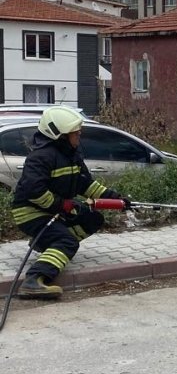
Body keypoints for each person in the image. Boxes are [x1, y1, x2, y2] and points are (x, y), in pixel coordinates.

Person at [10, 105, 131, 299]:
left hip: (55, 208)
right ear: (60, 135)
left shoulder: (71, 155)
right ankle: (34, 280)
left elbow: (86, 185)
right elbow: (34, 191)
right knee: (67, 242)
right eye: (75, 133)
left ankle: (47, 244)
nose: (79, 135)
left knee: (93, 219)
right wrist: (62, 205)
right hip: (30, 212)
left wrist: (115, 198)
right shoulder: (41, 157)